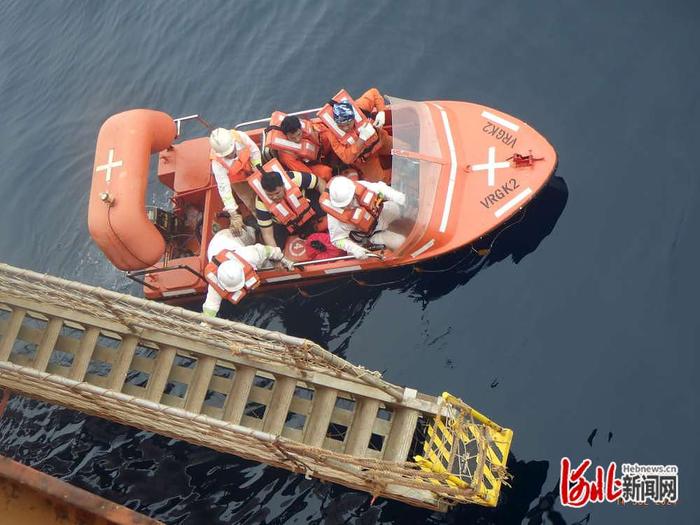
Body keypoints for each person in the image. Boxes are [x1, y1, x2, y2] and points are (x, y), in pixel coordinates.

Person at [201, 224, 294, 318]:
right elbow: (210, 307)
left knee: (251, 238)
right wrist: (204, 327)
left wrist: (283, 259)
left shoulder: (249, 254)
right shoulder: (216, 283)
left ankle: (250, 229)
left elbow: (269, 251)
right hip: (215, 244)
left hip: (230, 235)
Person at [320, 176, 406, 259]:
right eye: (344, 205)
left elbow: (380, 188)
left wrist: (396, 195)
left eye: (350, 200)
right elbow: (338, 240)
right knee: (401, 242)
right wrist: (354, 249)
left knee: (402, 209)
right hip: (368, 237)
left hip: (379, 216)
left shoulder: (359, 187)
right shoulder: (334, 216)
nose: (349, 205)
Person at [317, 88, 393, 183]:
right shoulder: (332, 135)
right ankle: (396, 176)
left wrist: (381, 112)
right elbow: (347, 158)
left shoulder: (360, 107)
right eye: (341, 125)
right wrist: (361, 139)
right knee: (380, 181)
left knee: (403, 148)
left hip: (381, 140)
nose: (345, 128)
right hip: (366, 160)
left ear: (353, 117)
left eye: (348, 123)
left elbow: (374, 93)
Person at [248, 159, 327, 249]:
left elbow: (319, 182)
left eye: (277, 193)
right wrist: (277, 256)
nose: (274, 197)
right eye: (270, 195)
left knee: (324, 212)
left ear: (283, 186)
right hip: (283, 223)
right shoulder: (261, 202)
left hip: (306, 207)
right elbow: (267, 234)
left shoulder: (294, 178)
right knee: (277, 247)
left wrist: (327, 204)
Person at [209, 127, 262, 233]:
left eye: (230, 152)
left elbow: (254, 150)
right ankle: (262, 220)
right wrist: (233, 213)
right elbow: (224, 188)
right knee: (251, 203)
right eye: (226, 155)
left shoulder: (240, 137)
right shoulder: (217, 163)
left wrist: (257, 167)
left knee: (266, 191)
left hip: (253, 168)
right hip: (238, 181)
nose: (229, 155)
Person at [265, 112, 333, 182]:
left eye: (299, 134)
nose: (297, 139)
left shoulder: (307, 130)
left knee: (326, 136)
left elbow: (321, 133)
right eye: (292, 138)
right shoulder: (286, 155)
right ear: (286, 136)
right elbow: (307, 174)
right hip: (307, 165)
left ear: (301, 129)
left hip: (320, 154)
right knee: (326, 172)